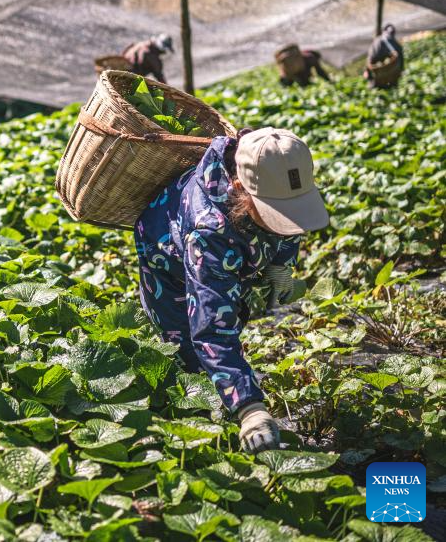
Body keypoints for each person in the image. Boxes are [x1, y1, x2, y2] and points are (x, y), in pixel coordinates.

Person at [133, 128, 329, 453]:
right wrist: (249, 407)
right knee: (191, 358)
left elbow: (292, 220)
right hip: (167, 266)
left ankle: (232, 389)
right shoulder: (207, 234)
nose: (286, 219)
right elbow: (211, 330)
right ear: (240, 188)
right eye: (274, 213)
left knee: (233, 309)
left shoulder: (274, 171)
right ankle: (210, 431)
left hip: (236, 245)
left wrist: (282, 261)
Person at [364, 24, 404, 88]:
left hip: (380, 70)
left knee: (377, 84)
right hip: (384, 70)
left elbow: (370, 58)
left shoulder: (378, 40)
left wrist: (367, 71)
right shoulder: (388, 40)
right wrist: (401, 69)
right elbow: (400, 54)